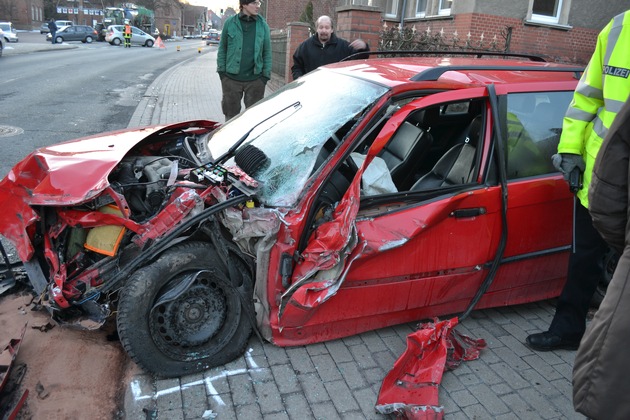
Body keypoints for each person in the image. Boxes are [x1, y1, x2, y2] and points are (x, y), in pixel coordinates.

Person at [525, 10, 630, 352]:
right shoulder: (618, 28)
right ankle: (568, 329)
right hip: (600, 177)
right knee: (583, 258)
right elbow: (587, 97)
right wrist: (570, 150)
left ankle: (613, 350)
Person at [571, 96, 630, 420]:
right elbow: (585, 99)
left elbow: (608, 205)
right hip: (590, 183)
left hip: (599, 192)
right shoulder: (612, 41)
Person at [217, 0, 271, 121]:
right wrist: (222, 74)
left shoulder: (263, 25)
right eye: (255, 3)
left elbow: (267, 52)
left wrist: (264, 77)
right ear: (244, 4)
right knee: (230, 117)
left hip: (255, 81)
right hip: (231, 80)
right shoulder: (230, 23)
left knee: (253, 119)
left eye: (259, 4)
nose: (258, 7)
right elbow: (222, 49)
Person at [291, 15, 370, 80]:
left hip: (335, 91)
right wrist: (299, 78)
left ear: (332, 29)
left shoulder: (343, 46)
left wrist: (364, 47)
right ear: (316, 29)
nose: (324, 31)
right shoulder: (305, 46)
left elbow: (360, 58)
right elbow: (296, 67)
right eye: (321, 27)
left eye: (327, 27)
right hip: (311, 89)